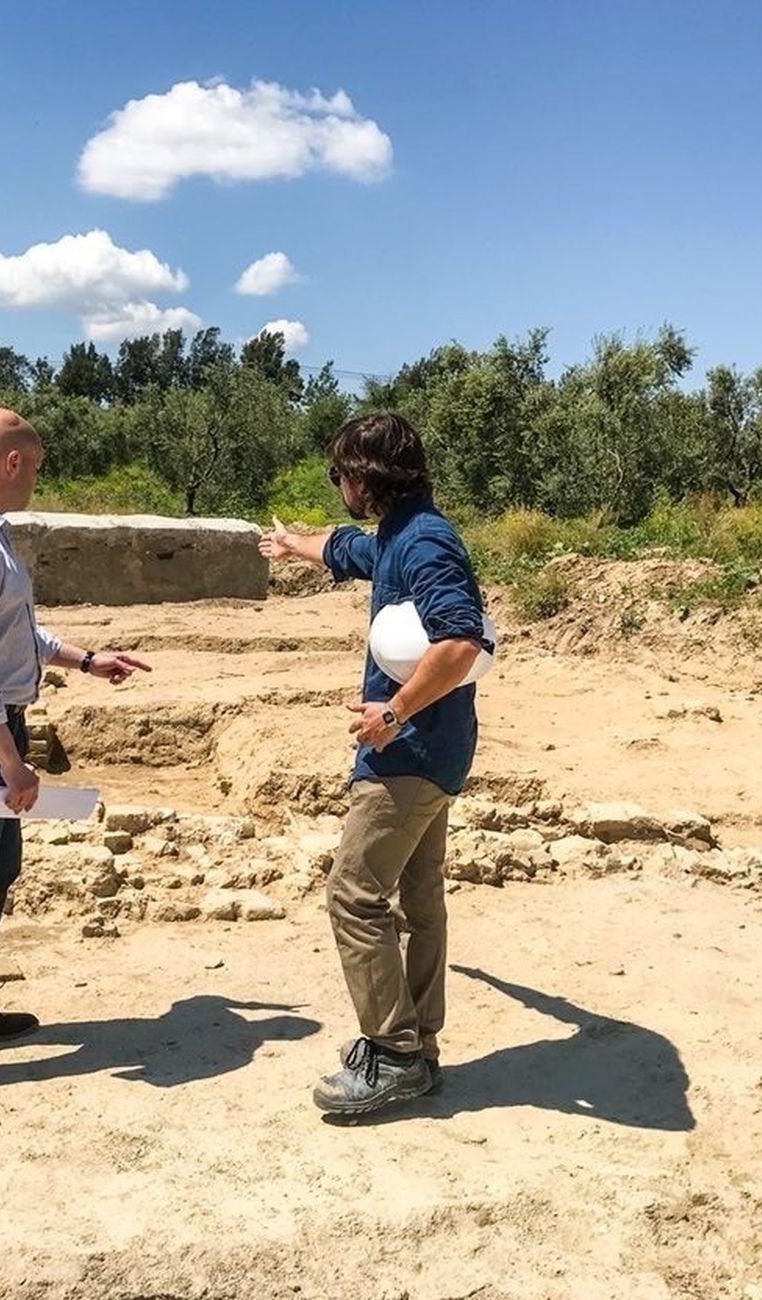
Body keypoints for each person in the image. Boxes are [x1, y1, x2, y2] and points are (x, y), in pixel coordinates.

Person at [0, 407, 150, 1109]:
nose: (37, 481)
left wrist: (86, 659)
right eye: (36, 468)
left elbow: (14, 633)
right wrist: (11, 763)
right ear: (12, 461)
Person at [259, 412, 490, 1117]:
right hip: (433, 748)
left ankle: (392, 1053)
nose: (339, 486)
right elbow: (346, 547)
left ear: (365, 477)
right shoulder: (399, 533)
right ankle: (416, 1046)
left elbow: (461, 642)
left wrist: (393, 713)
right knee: (418, 900)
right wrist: (294, 544)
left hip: (408, 753)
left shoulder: (425, 542)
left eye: (340, 475)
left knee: (353, 894)